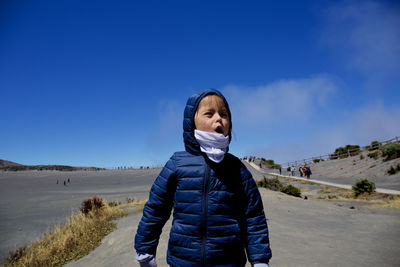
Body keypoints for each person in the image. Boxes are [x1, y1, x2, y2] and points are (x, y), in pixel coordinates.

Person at [135, 89, 271, 267]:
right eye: (209, 113)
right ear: (191, 122)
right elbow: (156, 209)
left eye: (224, 114)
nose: (218, 118)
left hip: (229, 262)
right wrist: (145, 249)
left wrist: (260, 259)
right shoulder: (177, 163)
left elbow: (253, 216)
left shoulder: (237, 168)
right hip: (183, 261)